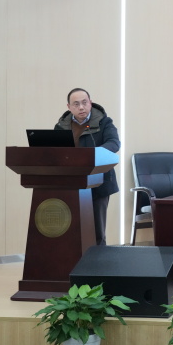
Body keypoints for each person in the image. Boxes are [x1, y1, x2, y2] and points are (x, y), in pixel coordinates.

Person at [55, 88, 120, 245]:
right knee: (72, 231)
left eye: (84, 103)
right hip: (71, 185)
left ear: (90, 103)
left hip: (99, 183)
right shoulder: (61, 126)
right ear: (69, 107)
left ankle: (99, 260)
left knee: (97, 233)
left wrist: (93, 154)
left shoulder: (104, 122)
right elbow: (56, 151)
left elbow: (114, 143)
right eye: (76, 104)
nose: (81, 107)